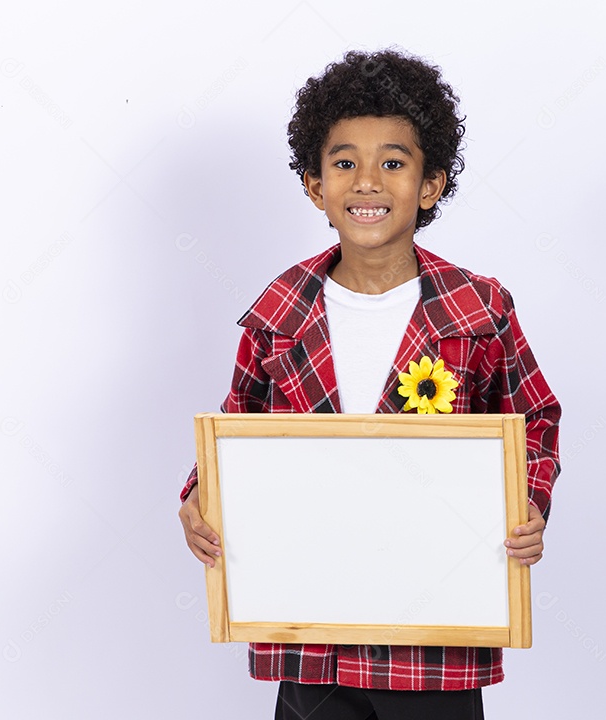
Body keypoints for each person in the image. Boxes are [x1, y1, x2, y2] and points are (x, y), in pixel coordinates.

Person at [178, 48, 561, 720]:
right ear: (313, 185)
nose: (367, 182)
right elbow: (237, 428)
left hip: (437, 642)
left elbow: (532, 418)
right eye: (344, 162)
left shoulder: (477, 308)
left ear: (432, 183)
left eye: (393, 161)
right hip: (316, 638)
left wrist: (528, 504)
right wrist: (199, 498)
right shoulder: (279, 312)